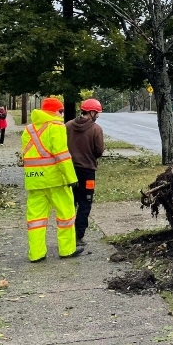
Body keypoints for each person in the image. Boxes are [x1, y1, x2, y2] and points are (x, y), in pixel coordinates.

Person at [22, 97, 81, 262]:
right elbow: (61, 154)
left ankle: (36, 254)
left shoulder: (29, 129)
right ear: (55, 111)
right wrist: (71, 177)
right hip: (56, 180)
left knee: (36, 220)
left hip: (34, 181)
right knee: (65, 215)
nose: (62, 114)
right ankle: (67, 250)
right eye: (61, 111)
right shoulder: (56, 127)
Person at [65, 98, 105, 247]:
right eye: (97, 113)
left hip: (69, 170)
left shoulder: (68, 125)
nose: (98, 116)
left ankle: (66, 235)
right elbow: (99, 151)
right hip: (87, 172)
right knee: (85, 203)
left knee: (70, 203)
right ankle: (78, 236)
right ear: (92, 112)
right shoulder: (96, 129)